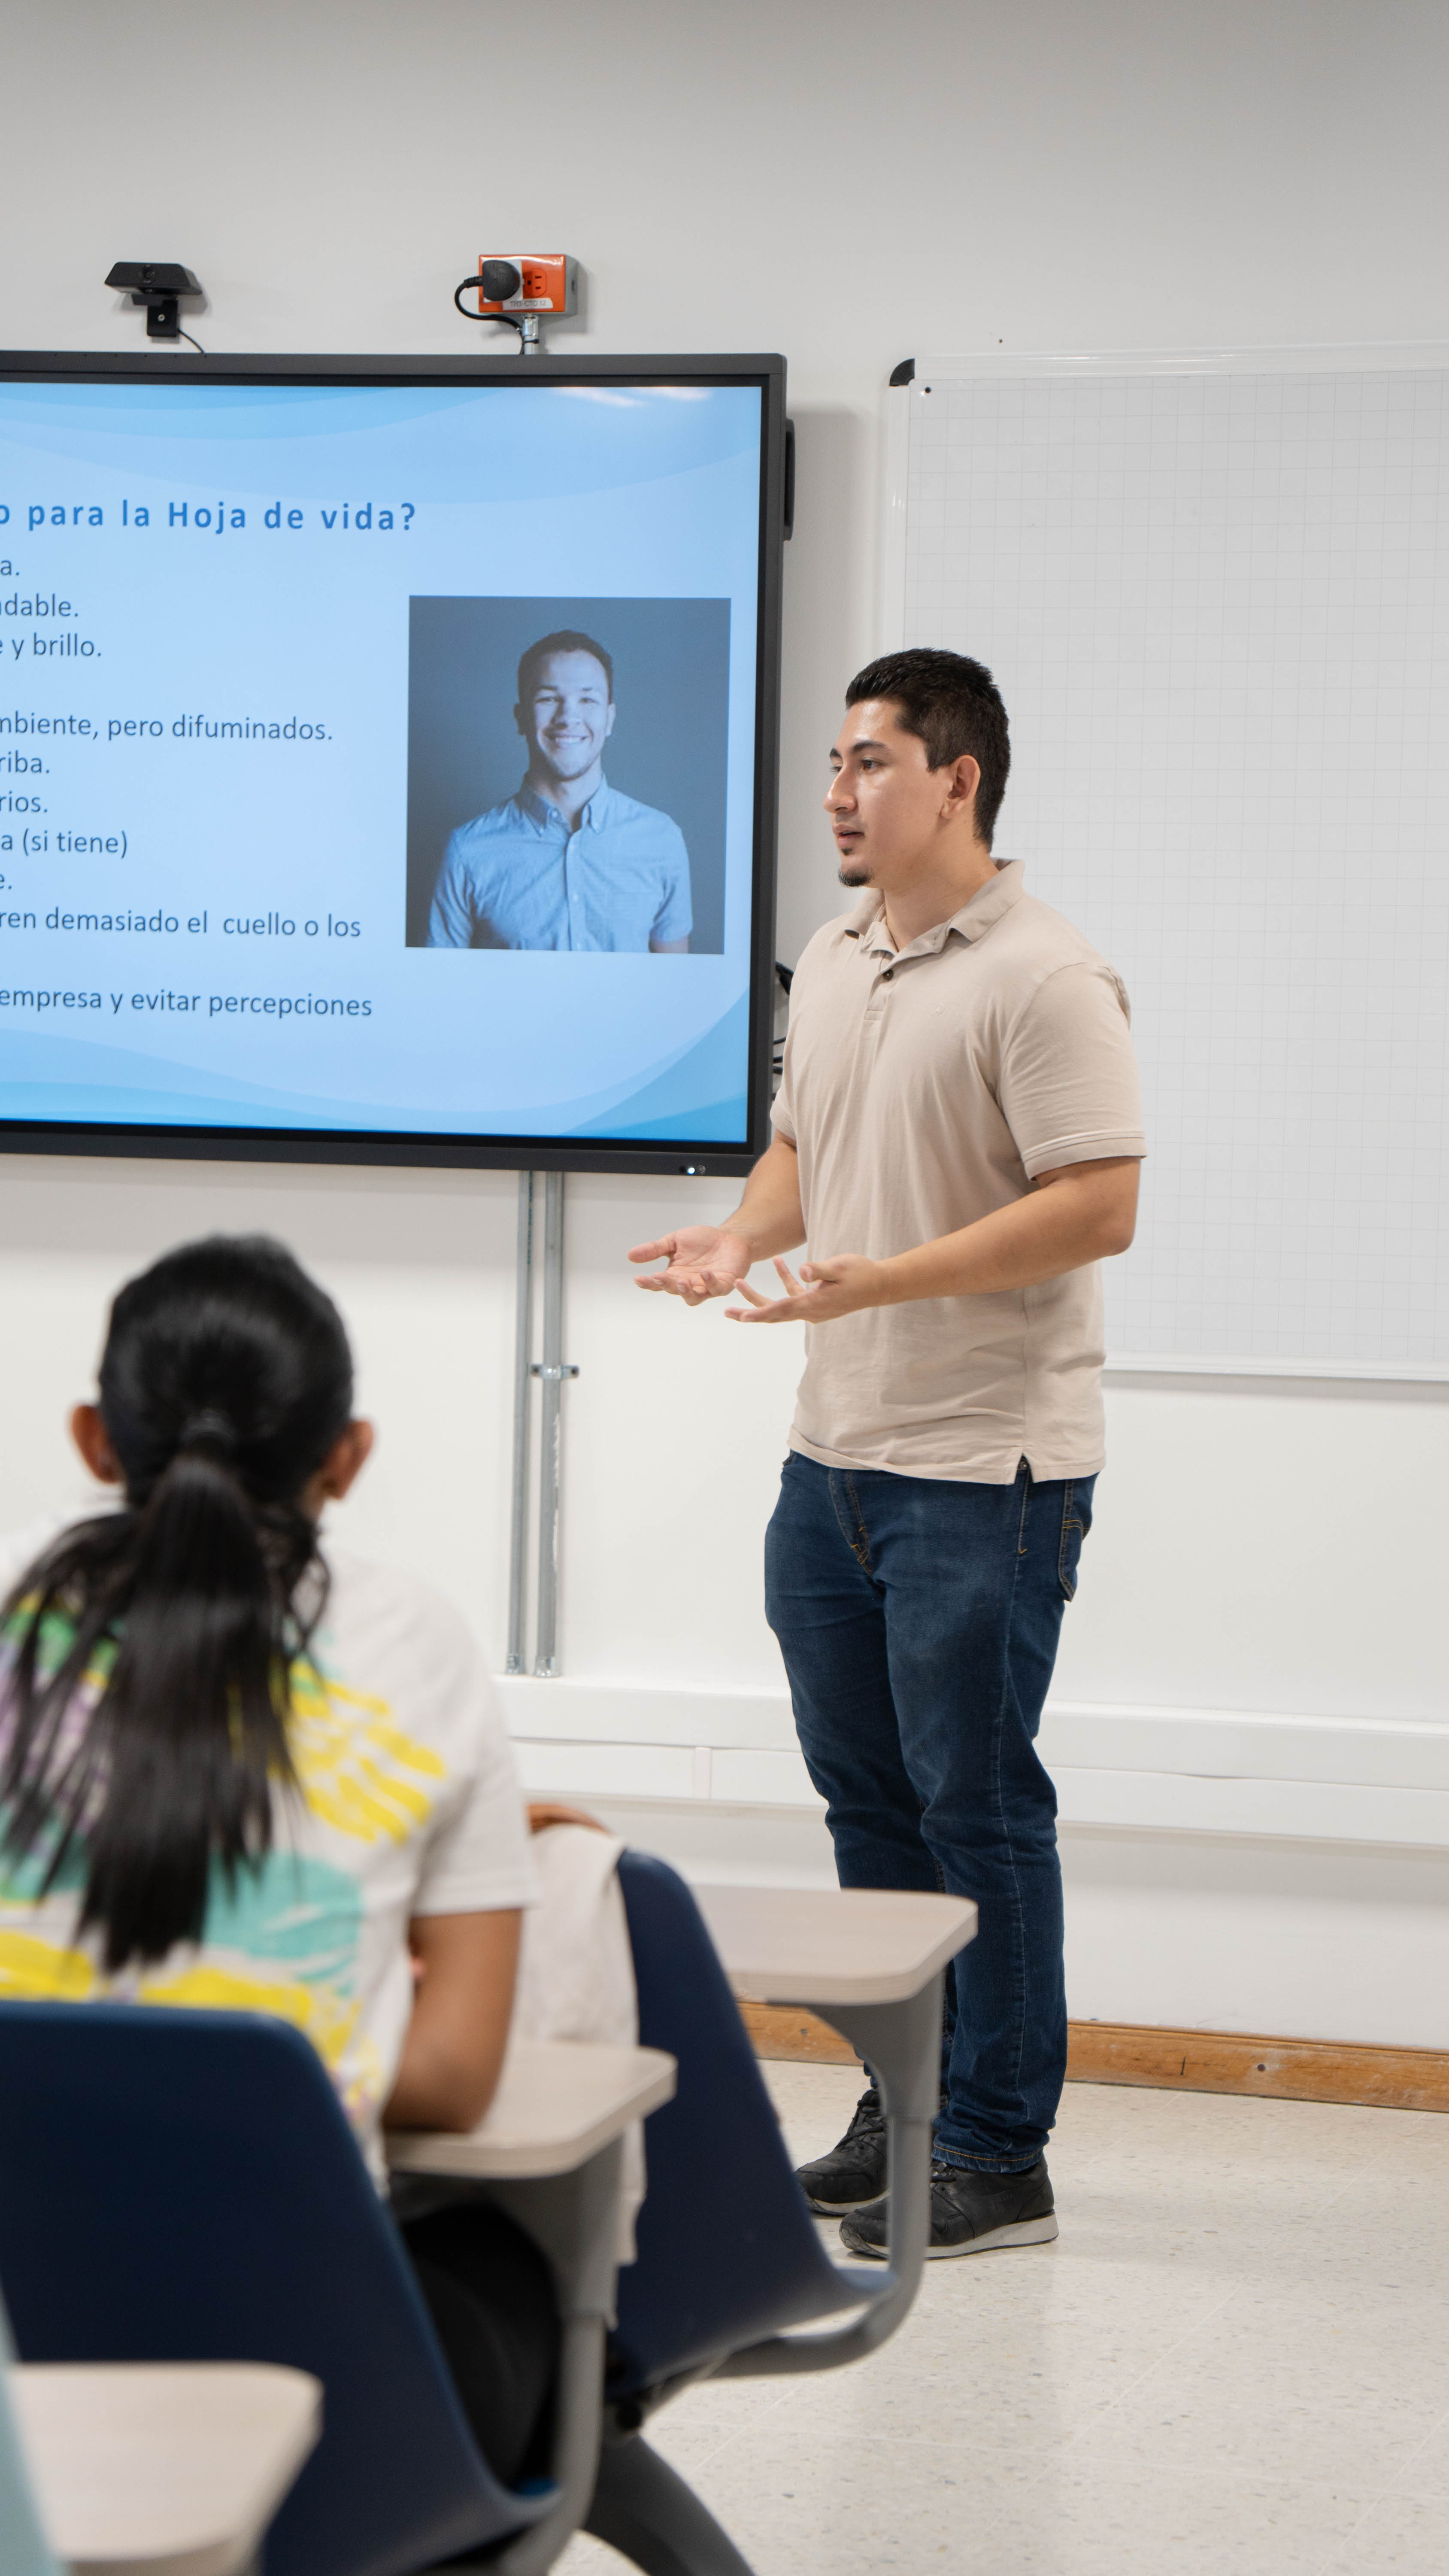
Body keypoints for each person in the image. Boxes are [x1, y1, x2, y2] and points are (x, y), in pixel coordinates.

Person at [628, 648, 1145, 2260]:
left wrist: (883, 1274)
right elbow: (807, 1146)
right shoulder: (834, 956)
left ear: (954, 779)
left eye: (863, 764)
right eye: (833, 767)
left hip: (981, 1472)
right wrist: (740, 1236)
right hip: (832, 1457)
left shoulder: (1045, 977)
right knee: (869, 1807)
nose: (835, 795)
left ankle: (998, 2153)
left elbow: (1095, 1204)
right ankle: (901, 2109)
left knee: (976, 1805)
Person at [0, 1235, 556, 2484]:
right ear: (347, 1455)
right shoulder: (413, 1639)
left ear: (96, 1437)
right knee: (530, 2272)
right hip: (298, 2390)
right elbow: (451, 2077)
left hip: (13, 2387)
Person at [427, 629, 692, 952]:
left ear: (610, 719)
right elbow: (445, 992)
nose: (568, 717)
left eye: (587, 699)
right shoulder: (467, 851)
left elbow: (673, 991)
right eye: (549, 699)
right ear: (521, 717)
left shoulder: (661, 839)